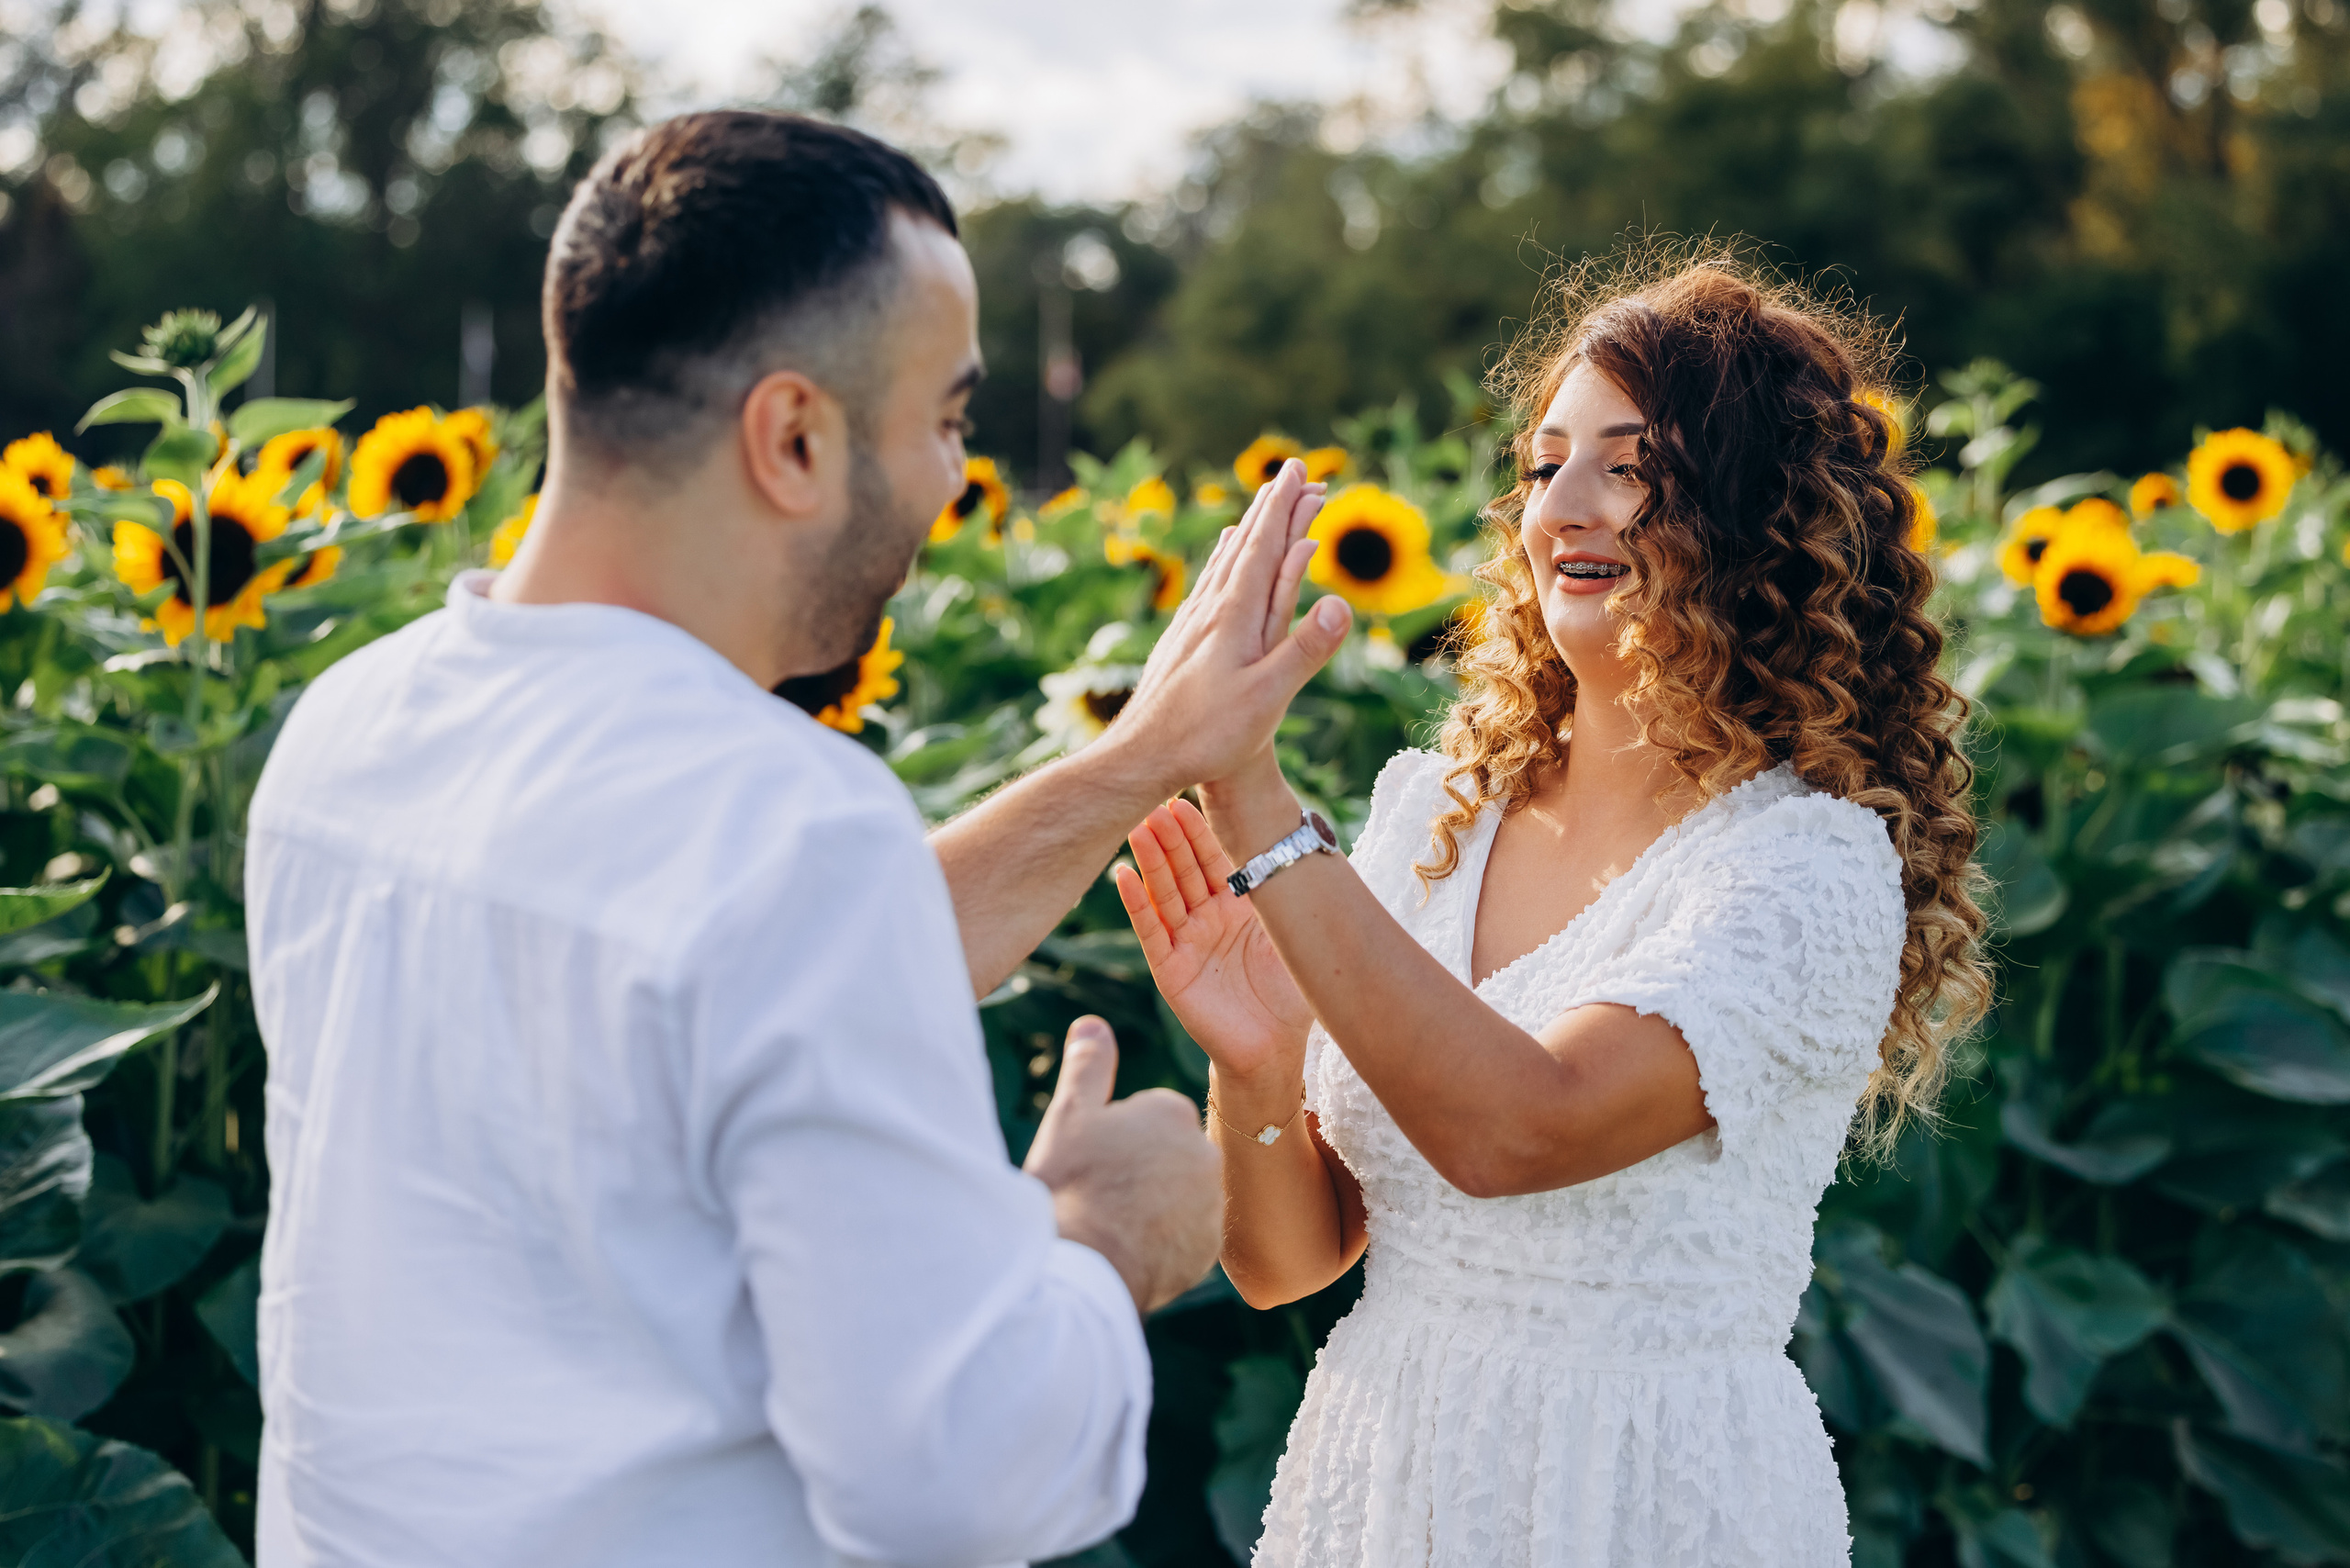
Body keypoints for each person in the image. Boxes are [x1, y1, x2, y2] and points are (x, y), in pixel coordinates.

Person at [244, 111, 1350, 1567]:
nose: (958, 479)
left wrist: (1142, 759)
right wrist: (1100, 1232)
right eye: (947, 419)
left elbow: (716, 980)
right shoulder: (784, 833)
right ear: (794, 436)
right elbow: (953, 1476)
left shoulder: (350, 727)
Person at [1114, 256, 1992, 1563]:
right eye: (1543, 466)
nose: (1564, 509)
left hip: (1640, 1496)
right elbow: (1288, 1261)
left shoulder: (1808, 870)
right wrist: (1255, 1065)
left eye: (1632, 467)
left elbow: (1518, 1129)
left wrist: (1248, 794)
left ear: (1758, 514)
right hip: (1384, 1478)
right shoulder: (1433, 818)